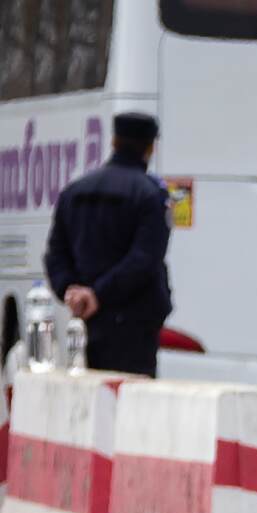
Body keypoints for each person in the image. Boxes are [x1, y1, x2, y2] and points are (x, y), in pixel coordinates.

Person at [44, 112, 172, 377]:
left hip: (84, 320)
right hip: (133, 325)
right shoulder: (150, 195)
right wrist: (98, 295)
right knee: (130, 404)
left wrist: (72, 292)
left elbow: (56, 253)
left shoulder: (75, 190)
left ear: (113, 141)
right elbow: (144, 259)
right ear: (150, 147)